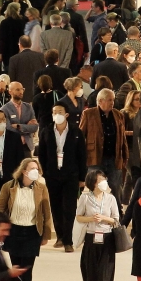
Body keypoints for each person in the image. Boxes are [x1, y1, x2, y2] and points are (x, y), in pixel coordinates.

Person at [0, 159, 53, 281]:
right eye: (32, 168)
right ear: (24, 171)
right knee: (16, 268)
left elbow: (47, 213)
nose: (36, 171)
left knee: (27, 269)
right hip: (14, 232)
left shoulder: (41, 188)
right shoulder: (9, 187)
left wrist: (46, 234)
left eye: (37, 168)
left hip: (32, 232)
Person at [38, 104, 87, 252]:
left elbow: (82, 156)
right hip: (52, 174)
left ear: (66, 114)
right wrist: (45, 173)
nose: (56, 114)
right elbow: (42, 154)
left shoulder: (76, 132)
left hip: (71, 175)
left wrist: (82, 178)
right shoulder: (46, 131)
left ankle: (68, 240)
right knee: (56, 206)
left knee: (69, 207)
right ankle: (59, 236)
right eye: (54, 112)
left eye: (60, 112)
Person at [79, 88, 129, 202]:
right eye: (109, 100)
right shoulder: (88, 114)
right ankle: (94, 210)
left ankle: (117, 212)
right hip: (95, 157)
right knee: (94, 187)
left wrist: (125, 155)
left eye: (113, 100)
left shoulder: (118, 115)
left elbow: (123, 137)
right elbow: (81, 136)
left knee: (116, 187)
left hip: (114, 157)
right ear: (100, 101)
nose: (112, 103)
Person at [76, 169, 120, 281]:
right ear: (93, 183)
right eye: (100, 180)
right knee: (91, 273)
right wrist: (91, 218)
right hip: (91, 237)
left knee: (104, 274)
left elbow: (116, 220)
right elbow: (79, 217)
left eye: (104, 179)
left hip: (107, 238)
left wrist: (103, 218)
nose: (104, 182)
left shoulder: (111, 198)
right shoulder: (85, 198)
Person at [0, 81, 38, 153]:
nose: (21, 92)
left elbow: (34, 127)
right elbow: (8, 129)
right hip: (12, 147)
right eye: (17, 90)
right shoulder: (4, 109)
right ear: (10, 92)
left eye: (22, 89)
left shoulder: (28, 107)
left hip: (27, 146)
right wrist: (27, 127)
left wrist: (19, 126)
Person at [7, 35, 45, 100]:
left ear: (20, 45)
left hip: (22, 95)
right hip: (39, 94)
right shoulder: (41, 56)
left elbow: (12, 78)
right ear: (31, 44)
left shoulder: (14, 59)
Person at [0, 1, 26, 66]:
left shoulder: (4, 22)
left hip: (7, 51)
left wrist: (0, 53)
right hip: (19, 50)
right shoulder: (21, 22)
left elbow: (1, 39)